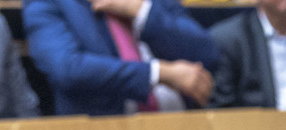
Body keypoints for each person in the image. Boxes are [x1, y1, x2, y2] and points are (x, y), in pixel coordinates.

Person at [23, 0, 217, 114]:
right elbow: (67, 69)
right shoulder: (50, 3)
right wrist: (158, 73)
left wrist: (142, 11)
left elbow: (207, 52)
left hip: (183, 127)